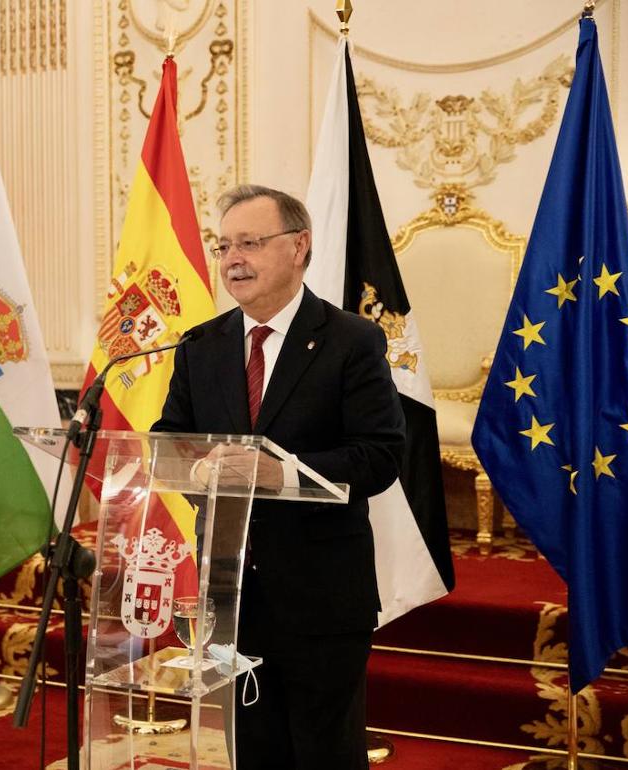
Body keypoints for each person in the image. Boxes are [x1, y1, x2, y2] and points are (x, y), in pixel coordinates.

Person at [152, 185, 404, 768]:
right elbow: (168, 443)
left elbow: (379, 455)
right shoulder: (201, 346)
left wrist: (282, 474)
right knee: (251, 748)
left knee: (324, 752)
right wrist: (199, 466)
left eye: (250, 243)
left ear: (299, 247)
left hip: (320, 592)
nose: (232, 258)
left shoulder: (352, 340)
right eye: (224, 246)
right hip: (231, 592)